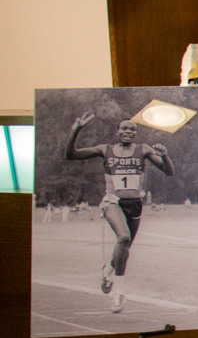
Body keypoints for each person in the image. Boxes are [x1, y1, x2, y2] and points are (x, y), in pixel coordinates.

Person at [64, 111, 173, 314]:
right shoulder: (105, 150)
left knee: (124, 247)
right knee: (123, 238)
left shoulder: (144, 149)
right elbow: (70, 155)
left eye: (132, 129)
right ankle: (119, 292)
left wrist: (164, 155)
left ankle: (108, 269)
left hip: (134, 204)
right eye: (124, 128)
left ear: (136, 133)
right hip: (112, 202)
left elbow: (169, 171)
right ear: (117, 132)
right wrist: (76, 129)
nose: (128, 131)